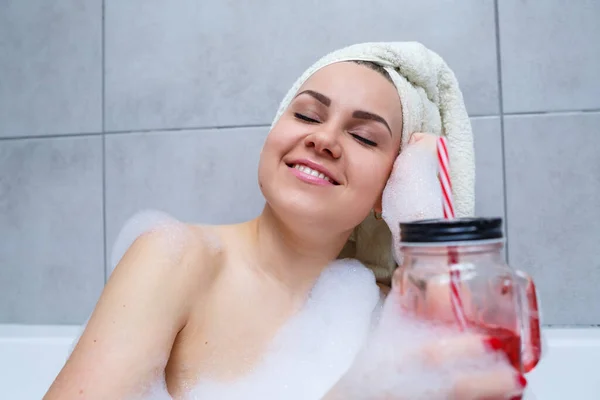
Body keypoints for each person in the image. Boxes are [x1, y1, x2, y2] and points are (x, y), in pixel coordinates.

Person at [44, 42, 527, 400]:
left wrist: (426, 229)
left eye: (363, 137)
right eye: (306, 115)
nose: (324, 139)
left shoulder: (387, 321)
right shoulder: (174, 257)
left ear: (391, 186)